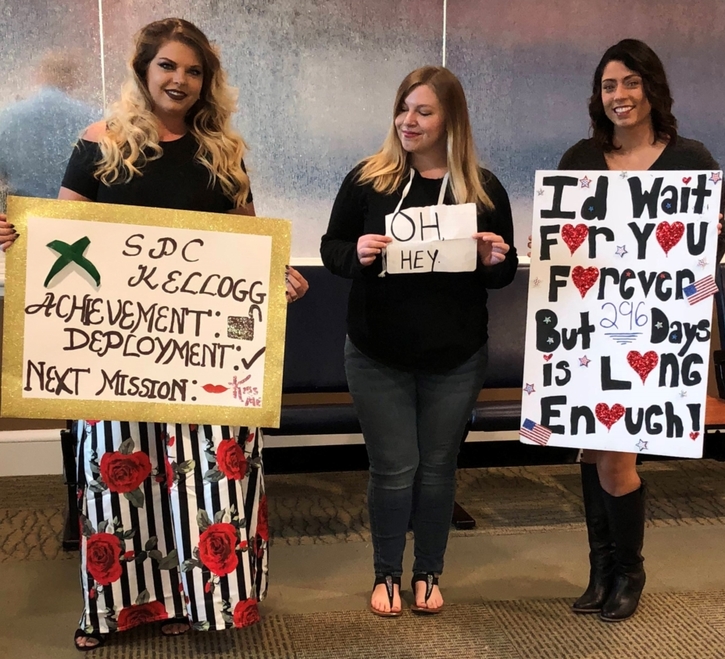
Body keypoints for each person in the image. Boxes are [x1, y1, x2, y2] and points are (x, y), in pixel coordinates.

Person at [0, 18, 307, 649]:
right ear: (144, 70)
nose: (181, 80)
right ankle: (116, 611)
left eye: (194, 71)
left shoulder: (222, 152)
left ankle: (213, 604)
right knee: (121, 484)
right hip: (119, 357)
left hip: (206, 360)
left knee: (211, 484)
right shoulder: (101, 144)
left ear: (207, 82)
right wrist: (17, 238)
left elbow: (246, 245)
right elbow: (63, 238)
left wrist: (278, 274)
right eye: (168, 66)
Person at [320, 66, 517, 617]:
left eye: (424, 111)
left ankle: (428, 573)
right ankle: (386, 575)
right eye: (404, 109)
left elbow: (503, 271)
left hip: (454, 358)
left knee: (437, 468)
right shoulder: (368, 179)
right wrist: (355, 253)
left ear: (451, 118)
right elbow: (333, 249)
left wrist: (492, 259)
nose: (409, 121)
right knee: (394, 467)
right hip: (376, 353)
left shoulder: (482, 187)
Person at [557, 38, 725, 623]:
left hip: (653, 334)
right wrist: (548, 250)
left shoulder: (692, 162)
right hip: (589, 330)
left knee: (617, 460)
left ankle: (629, 570)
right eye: (609, 85)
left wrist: (693, 308)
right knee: (589, 450)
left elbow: (708, 263)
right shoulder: (580, 159)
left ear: (653, 89)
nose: (620, 96)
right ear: (597, 95)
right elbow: (566, 244)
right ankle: (601, 570)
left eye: (631, 83)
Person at [0, 50, 100, 199]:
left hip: (20, 215)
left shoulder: (7, 117)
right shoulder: (96, 120)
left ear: (39, 74)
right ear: (75, 78)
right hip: (76, 217)